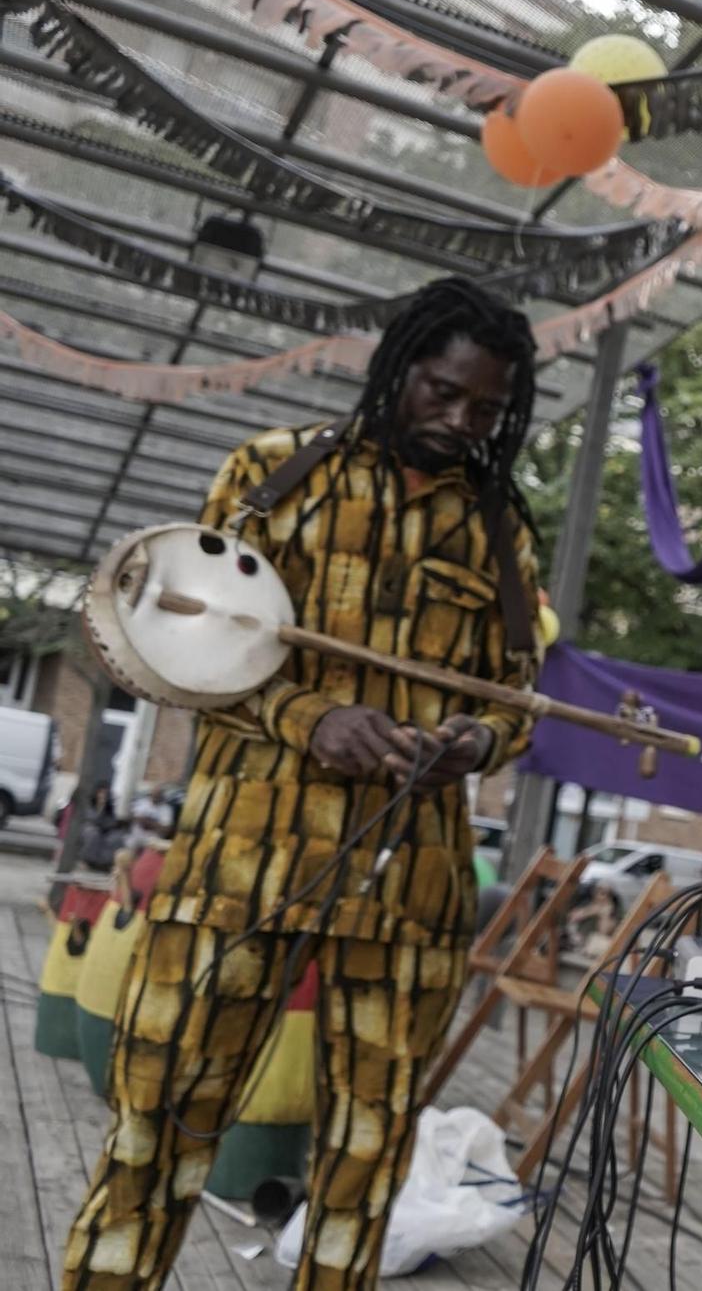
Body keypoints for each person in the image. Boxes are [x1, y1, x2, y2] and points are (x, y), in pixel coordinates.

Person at [65, 279, 546, 1289]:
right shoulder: (274, 476)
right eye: (443, 390)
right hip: (241, 868)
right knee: (159, 1124)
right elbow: (185, 650)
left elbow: (514, 697)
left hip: (407, 895)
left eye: (486, 409)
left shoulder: (501, 532)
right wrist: (312, 718)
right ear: (398, 366)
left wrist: (473, 739)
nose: (461, 422)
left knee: (363, 1164)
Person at [76, 781, 122, 871]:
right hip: (88, 828)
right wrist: (100, 807)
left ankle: (105, 863)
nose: (103, 795)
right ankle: (86, 860)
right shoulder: (89, 804)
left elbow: (112, 822)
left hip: (104, 830)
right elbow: (89, 818)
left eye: (105, 793)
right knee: (93, 834)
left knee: (116, 837)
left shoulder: (109, 808)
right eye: (101, 793)